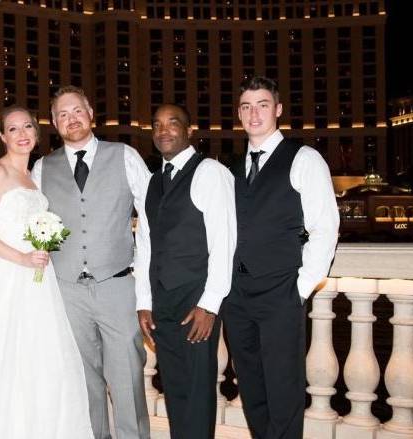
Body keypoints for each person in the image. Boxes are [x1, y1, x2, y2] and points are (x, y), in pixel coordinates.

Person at [0, 105, 93, 438]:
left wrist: (40, 250)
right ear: (2, 137)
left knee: (36, 361)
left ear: (37, 134)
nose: (22, 134)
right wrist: (22, 258)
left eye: (27, 126)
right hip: (4, 276)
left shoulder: (33, 177)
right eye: (13, 129)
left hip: (36, 281)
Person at [222, 76, 339, 439]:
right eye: (246, 106)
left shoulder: (304, 158)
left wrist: (300, 289)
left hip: (280, 292)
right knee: (252, 388)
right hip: (236, 294)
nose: (253, 113)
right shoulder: (229, 167)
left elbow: (325, 227)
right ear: (239, 114)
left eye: (261, 105)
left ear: (278, 110)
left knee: (284, 389)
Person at [32, 86, 151, 439]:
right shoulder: (43, 167)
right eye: (63, 114)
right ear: (54, 123)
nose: (71, 119)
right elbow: (32, 223)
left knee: (128, 376)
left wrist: (144, 289)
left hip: (117, 285)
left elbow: (150, 221)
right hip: (66, 289)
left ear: (91, 114)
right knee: (82, 379)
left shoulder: (125, 156)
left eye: (77, 111)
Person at [135, 104, 236, 439]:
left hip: (195, 299)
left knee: (196, 391)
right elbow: (146, 246)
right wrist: (144, 302)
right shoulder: (152, 182)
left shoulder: (210, 172)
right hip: (162, 301)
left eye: (172, 123)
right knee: (175, 389)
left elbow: (225, 243)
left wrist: (209, 305)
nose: (164, 130)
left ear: (189, 131)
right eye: (157, 124)